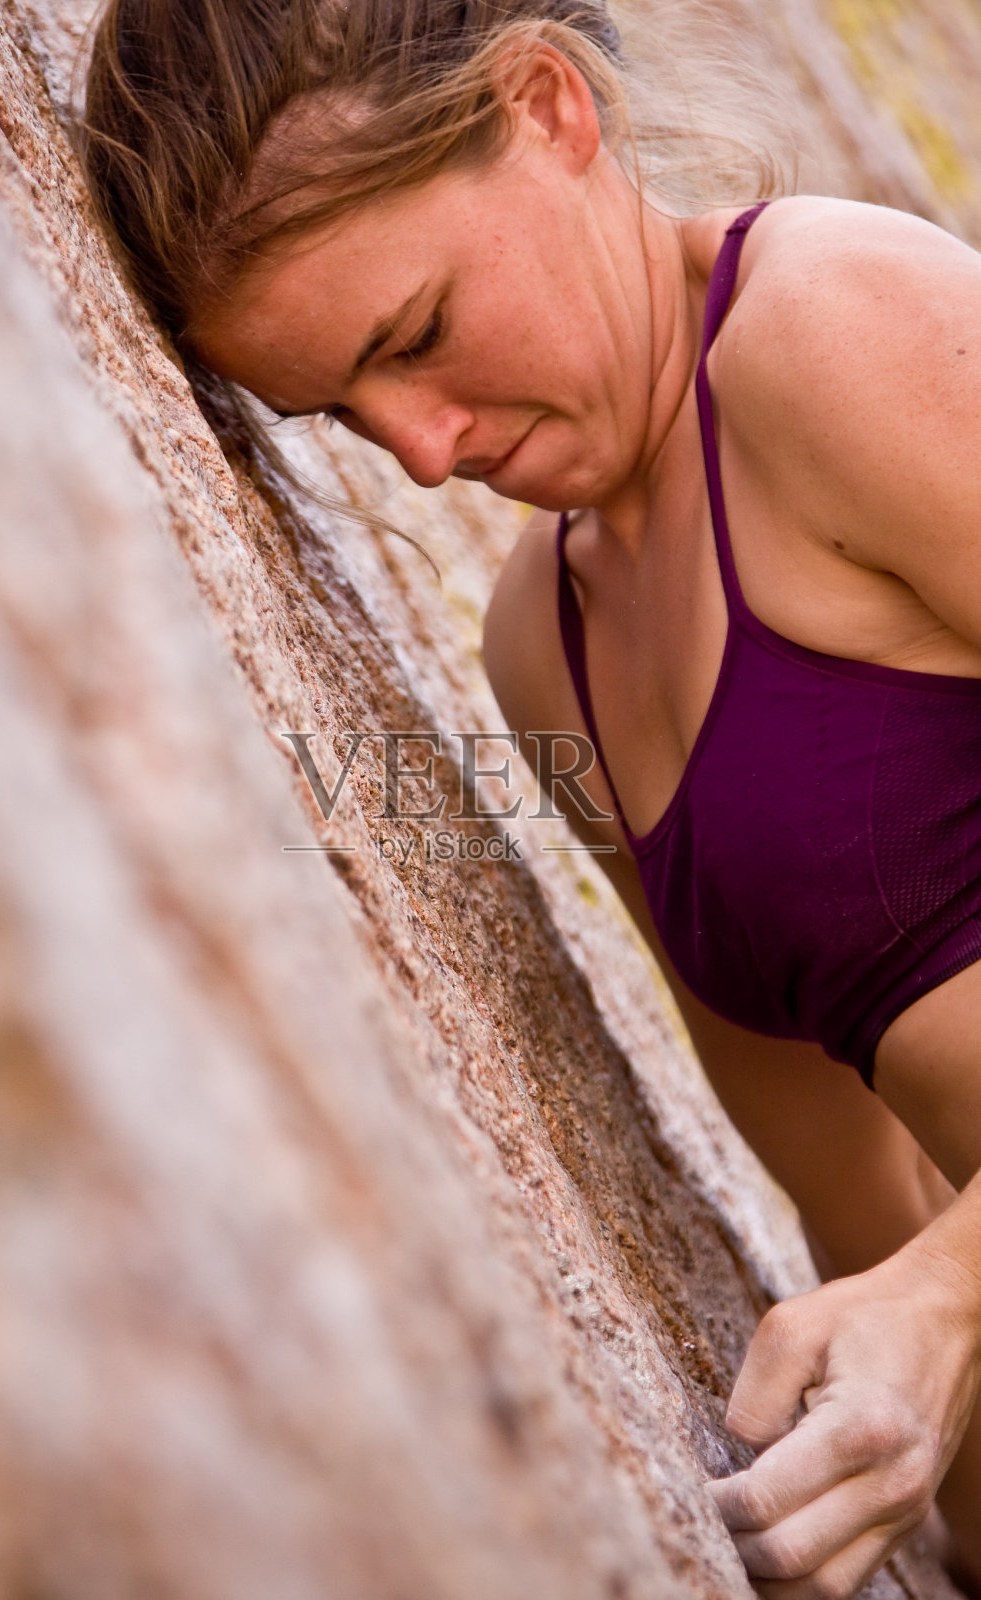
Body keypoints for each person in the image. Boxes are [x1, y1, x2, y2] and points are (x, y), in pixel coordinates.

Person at [79, 3, 981, 1592]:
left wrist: (948, 1300)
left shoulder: (834, 326)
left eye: (412, 332)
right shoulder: (543, 652)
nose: (420, 455)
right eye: (339, 416)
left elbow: (921, 1278)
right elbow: (859, 1201)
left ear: (548, 107)